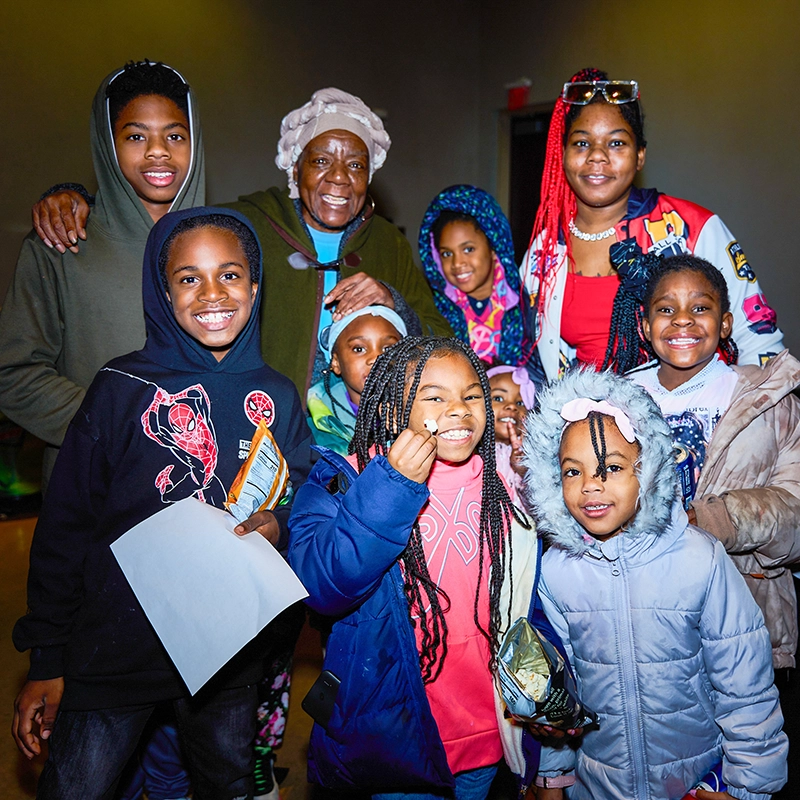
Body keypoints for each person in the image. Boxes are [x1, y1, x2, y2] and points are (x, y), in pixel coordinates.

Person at [11, 207, 312, 799]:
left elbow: (299, 484)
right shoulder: (121, 388)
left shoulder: (277, 392)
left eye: (229, 275)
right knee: (79, 785)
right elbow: (66, 527)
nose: (212, 294)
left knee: (225, 782)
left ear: (255, 285)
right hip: (117, 644)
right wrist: (48, 657)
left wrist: (280, 520)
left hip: (227, 651)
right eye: (188, 278)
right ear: (161, 289)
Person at [30, 87, 451, 396]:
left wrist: (392, 300)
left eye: (356, 165)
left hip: (362, 441)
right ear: (295, 168)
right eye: (321, 161)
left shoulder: (387, 244)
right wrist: (77, 198)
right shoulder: (243, 224)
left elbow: (443, 339)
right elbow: (162, 229)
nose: (339, 178)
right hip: (259, 436)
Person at [287, 336, 558, 798]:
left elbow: (530, 605)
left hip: (485, 734)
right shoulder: (340, 482)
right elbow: (321, 589)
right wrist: (392, 487)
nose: (459, 409)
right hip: (395, 734)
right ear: (393, 411)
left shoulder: (501, 493)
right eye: (436, 397)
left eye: (472, 395)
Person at [521, 368, 787, 799]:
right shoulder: (555, 571)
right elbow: (558, 691)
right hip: (597, 784)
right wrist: (553, 775)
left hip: (693, 781)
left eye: (612, 467)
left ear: (649, 471)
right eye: (573, 472)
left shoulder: (698, 559)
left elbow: (746, 686)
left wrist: (747, 788)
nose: (591, 485)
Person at [0, 60, 205, 489]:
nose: (158, 151)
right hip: (94, 485)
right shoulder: (61, 243)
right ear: (108, 146)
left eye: (174, 135)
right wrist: (117, 422)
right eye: (135, 136)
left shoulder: (224, 248)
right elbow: (14, 373)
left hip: (204, 488)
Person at [520, 67, 784, 384]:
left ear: (640, 155)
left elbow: (759, 339)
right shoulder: (544, 252)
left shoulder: (692, 229)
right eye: (581, 143)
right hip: (581, 425)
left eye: (616, 143)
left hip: (692, 424)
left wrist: (750, 420)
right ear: (562, 154)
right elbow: (534, 363)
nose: (597, 157)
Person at [627, 253, 800, 672]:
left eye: (700, 308)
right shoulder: (614, 400)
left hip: (744, 613)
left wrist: (713, 519)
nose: (683, 320)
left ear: (724, 323)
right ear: (644, 325)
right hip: (637, 612)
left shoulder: (768, 400)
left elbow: (796, 513)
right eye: (666, 309)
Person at [419, 185, 527, 365]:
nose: (457, 263)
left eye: (468, 249)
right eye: (446, 253)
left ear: (494, 246)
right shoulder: (435, 312)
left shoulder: (526, 305)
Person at [307, 305, 407, 455]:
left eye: (388, 349)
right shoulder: (314, 432)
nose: (376, 359)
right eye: (359, 349)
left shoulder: (424, 417)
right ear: (336, 362)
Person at [486, 365, 535, 506]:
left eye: (520, 402)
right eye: (498, 398)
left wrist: (523, 471)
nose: (512, 406)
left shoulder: (533, 458)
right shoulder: (469, 454)